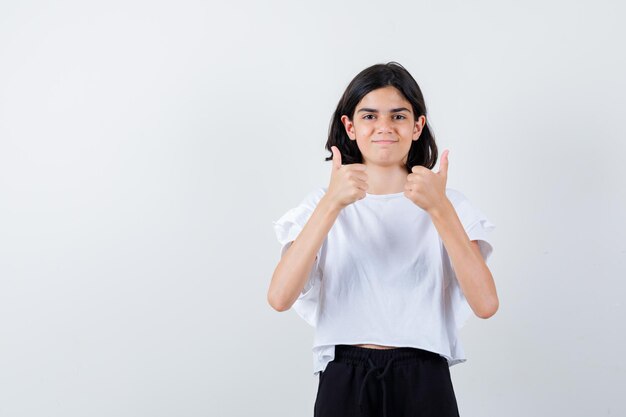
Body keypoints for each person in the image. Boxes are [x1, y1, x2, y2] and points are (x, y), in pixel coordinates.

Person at [268, 61, 498, 417]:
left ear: (418, 126)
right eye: (370, 116)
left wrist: (439, 210)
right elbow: (280, 297)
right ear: (350, 126)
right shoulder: (321, 204)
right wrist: (332, 203)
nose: (384, 128)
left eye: (399, 116)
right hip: (345, 372)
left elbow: (486, 304)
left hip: (424, 373)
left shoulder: (449, 205)